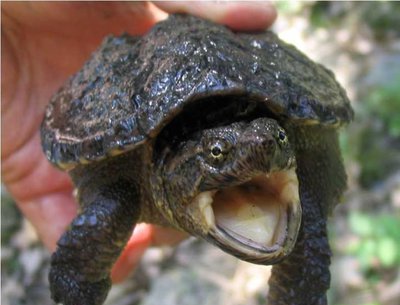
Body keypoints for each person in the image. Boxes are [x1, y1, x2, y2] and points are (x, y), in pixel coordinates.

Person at [1, 1, 277, 282]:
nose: (259, 150)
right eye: (219, 153)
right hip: (112, 85)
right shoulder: (124, 179)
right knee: (108, 217)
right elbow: (100, 221)